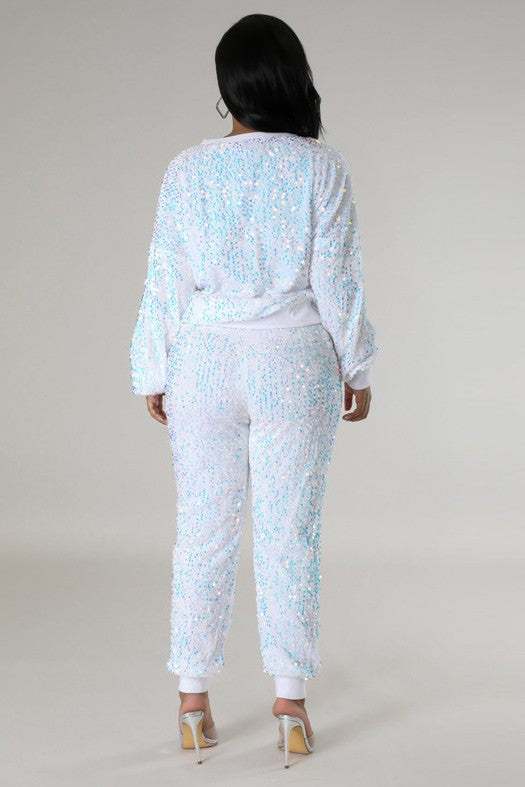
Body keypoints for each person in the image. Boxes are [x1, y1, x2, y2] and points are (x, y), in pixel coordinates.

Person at [129, 13, 379, 768]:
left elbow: (166, 278)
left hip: (205, 361)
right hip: (293, 362)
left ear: (226, 88)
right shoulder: (319, 167)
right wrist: (357, 366)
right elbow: (338, 280)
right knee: (288, 530)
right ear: (293, 79)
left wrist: (152, 369)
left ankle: (192, 701)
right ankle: (290, 704)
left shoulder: (187, 170)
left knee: (202, 528)